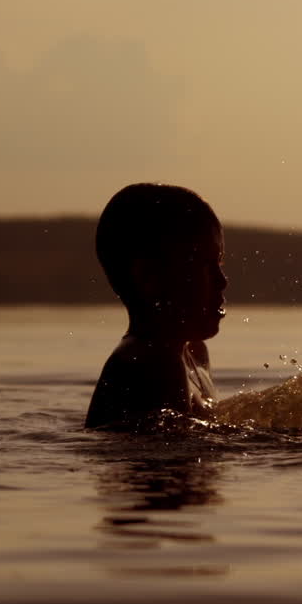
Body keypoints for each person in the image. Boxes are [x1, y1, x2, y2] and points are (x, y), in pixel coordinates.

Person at [85, 183, 227, 430]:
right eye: (204, 264)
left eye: (219, 263)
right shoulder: (153, 364)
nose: (222, 281)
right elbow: (176, 459)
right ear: (149, 277)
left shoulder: (193, 352)